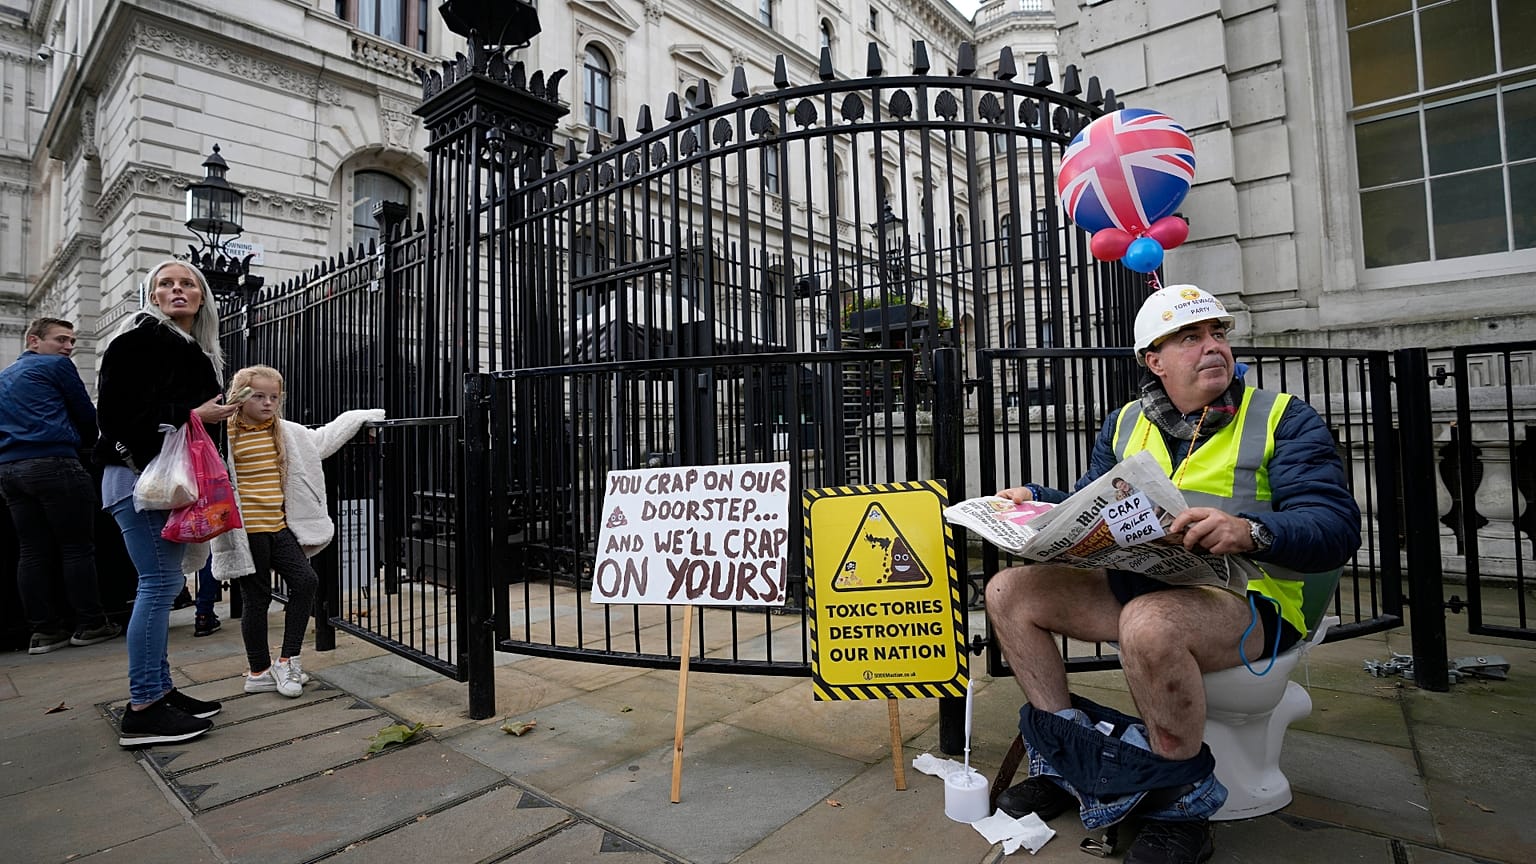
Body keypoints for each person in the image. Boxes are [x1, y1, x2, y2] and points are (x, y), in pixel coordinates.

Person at [985, 284, 1360, 864]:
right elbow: (1100, 506)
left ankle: (1181, 804)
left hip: (1250, 600)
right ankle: (1065, 758)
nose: (1212, 347)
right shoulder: (1123, 423)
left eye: (1217, 334)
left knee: (1149, 624)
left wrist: (1251, 530)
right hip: (1146, 580)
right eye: (1190, 337)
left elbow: (1335, 527)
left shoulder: (1284, 419)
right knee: (1009, 591)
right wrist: (1036, 503)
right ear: (1154, 361)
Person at [97, 260, 241, 746]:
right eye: (166, 284)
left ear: (201, 297)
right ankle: (143, 708)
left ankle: (160, 691)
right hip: (140, 481)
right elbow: (116, 416)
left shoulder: (191, 349)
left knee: (160, 584)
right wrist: (192, 413)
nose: (177, 290)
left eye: (187, 284)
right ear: (152, 295)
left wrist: (208, 413)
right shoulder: (138, 339)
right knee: (157, 586)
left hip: (162, 482)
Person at [211, 364, 382, 698]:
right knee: (255, 600)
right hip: (245, 533)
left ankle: (288, 660)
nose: (267, 403)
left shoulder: (286, 432)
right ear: (240, 396)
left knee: (306, 582)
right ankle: (258, 670)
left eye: (274, 397)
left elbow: (324, 439)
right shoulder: (224, 433)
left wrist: (361, 416)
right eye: (258, 396)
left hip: (279, 526)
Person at [0, 317, 120, 654]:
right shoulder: (56, 367)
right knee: (77, 547)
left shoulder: (4, 376)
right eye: (61, 339)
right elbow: (86, 416)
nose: (68, 347)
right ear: (33, 341)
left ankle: (44, 631)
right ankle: (91, 623)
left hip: (9, 470)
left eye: (71, 342)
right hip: (54, 463)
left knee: (32, 551)